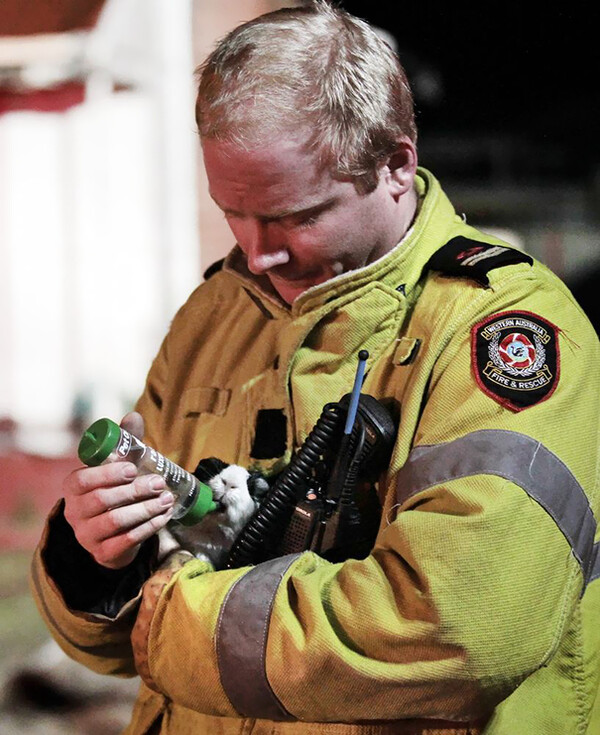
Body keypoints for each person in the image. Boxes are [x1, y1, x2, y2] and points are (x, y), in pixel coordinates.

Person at [31, 2, 600, 733]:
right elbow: (118, 635)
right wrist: (95, 557)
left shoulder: (506, 334)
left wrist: (172, 621)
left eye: (298, 216)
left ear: (397, 164)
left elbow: (458, 628)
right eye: (233, 210)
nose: (259, 250)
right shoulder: (215, 314)